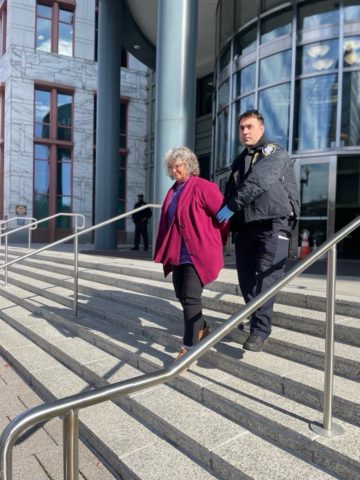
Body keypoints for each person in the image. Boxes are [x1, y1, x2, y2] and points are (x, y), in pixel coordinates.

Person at [216, 110, 300, 352]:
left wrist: (231, 207)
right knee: (246, 280)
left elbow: (259, 182)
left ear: (261, 129)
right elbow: (230, 193)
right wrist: (220, 215)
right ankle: (255, 319)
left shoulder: (274, 152)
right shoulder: (239, 160)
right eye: (242, 127)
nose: (245, 131)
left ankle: (260, 330)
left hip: (274, 224)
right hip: (246, 227)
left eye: (250, 126)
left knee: (266, 278)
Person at [154, 146, 226, 360]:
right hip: (177, 252)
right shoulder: (173, 190)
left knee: (192, 297)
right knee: (181, 295)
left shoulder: (204, 187)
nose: (174, 171)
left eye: (178, 167)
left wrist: (212, 239)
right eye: (171, 167)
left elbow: (223, 217)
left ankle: (188, 349)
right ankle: (202, 328)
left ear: (189, 166)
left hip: (197, 252)